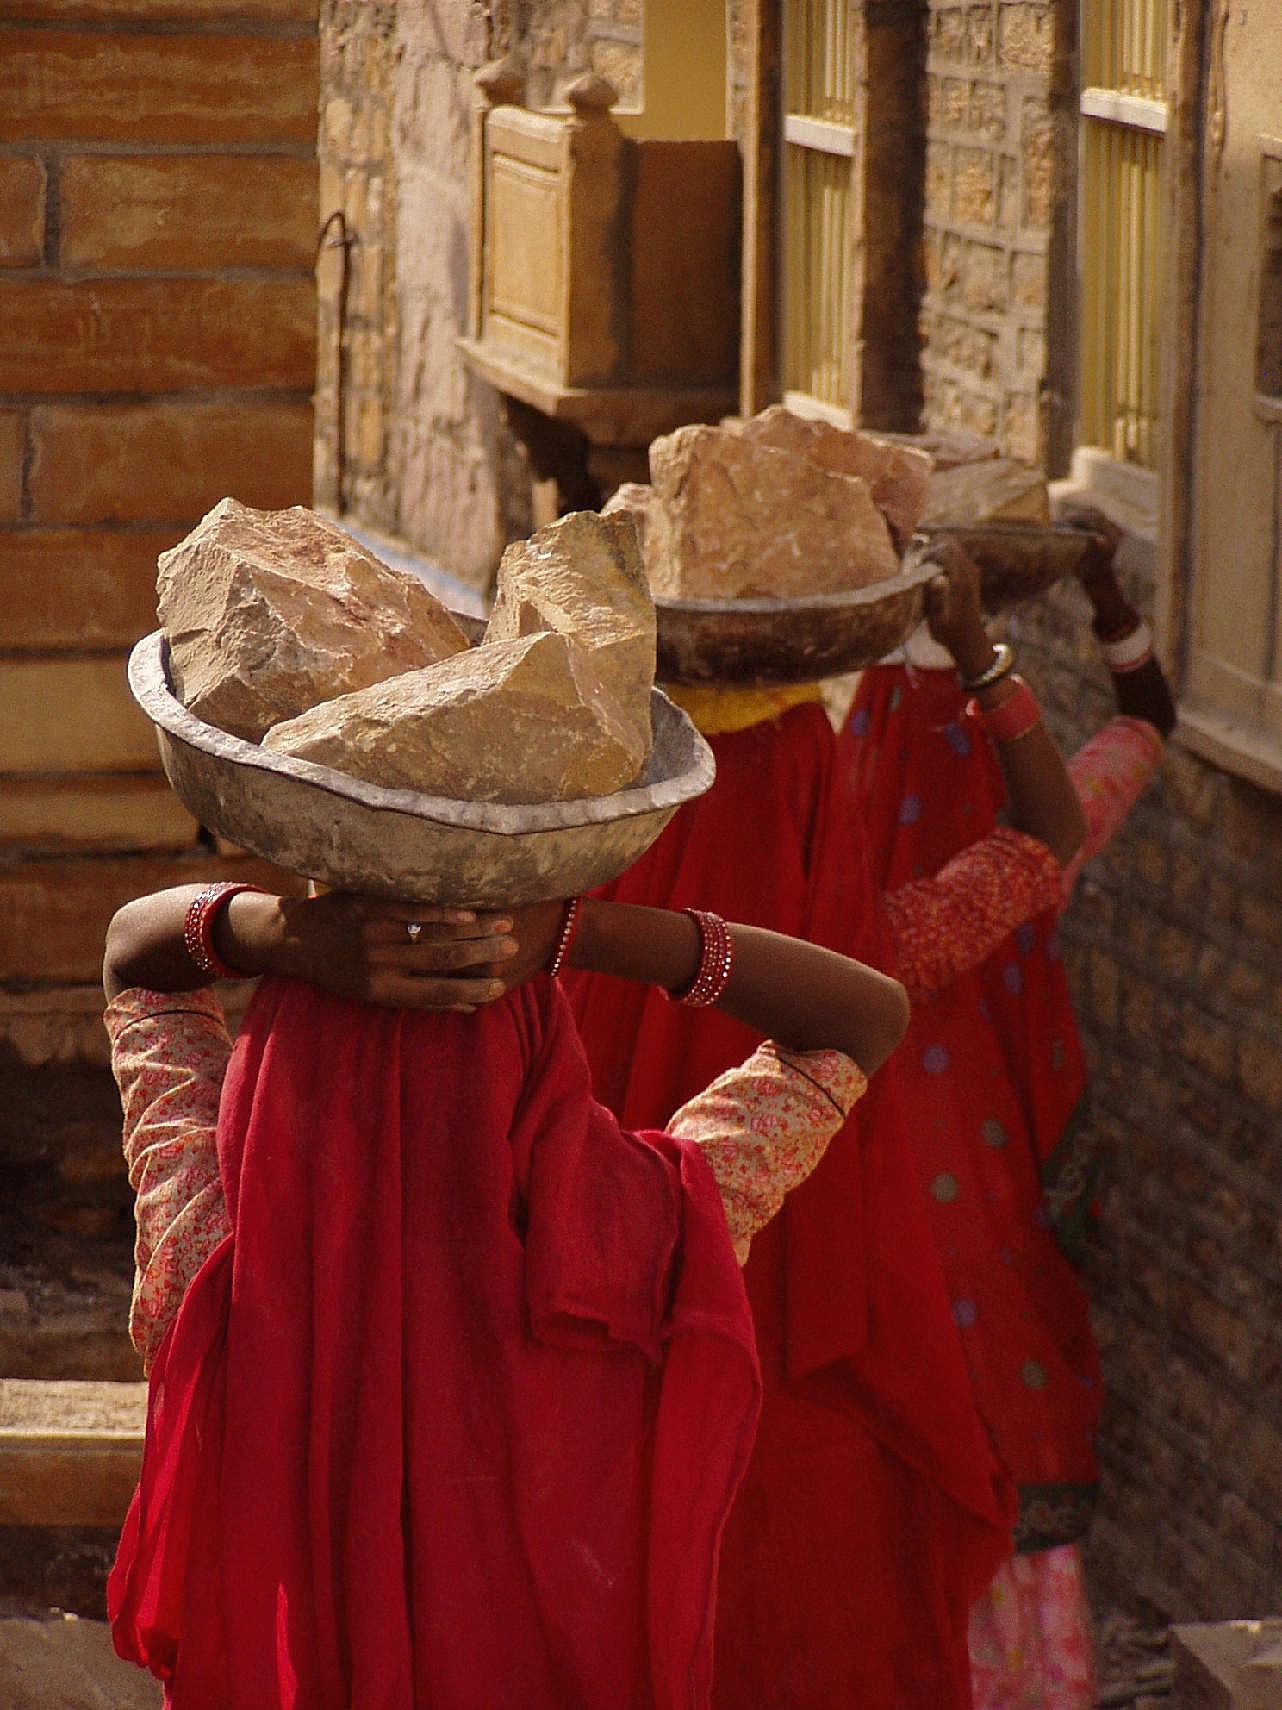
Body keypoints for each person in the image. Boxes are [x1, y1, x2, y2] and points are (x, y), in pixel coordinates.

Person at [103, 875, 909, 1710]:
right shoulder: (636, 1243)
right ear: (538, 1063)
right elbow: (861, 1018)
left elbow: (136, 957)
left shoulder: (210, 1251)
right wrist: (568, 934)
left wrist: (282, 935)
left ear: (271, 1070)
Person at [562, 543, 1089, 1710]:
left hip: (591, 1432)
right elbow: (1047, 837)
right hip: (828, 1405)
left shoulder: (546, 978)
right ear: (818, 809)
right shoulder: (871, 968)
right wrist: (975, 655)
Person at [841, 507, 1174, 1710]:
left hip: (872, 1335)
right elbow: (1148, 723)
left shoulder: (809, 929)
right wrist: (1102, 595)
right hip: (1006, 1263)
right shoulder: (1037, 855)